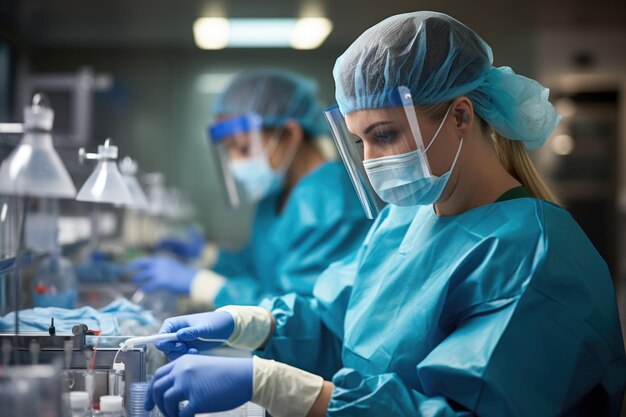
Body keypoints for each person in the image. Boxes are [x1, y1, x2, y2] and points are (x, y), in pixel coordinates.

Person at [145, 12, 626, 417]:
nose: (371, 160)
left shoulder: (532, 253)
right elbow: (339, 323)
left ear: (461, 116)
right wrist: (245, 323)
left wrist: (274, 385)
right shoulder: (403, 220)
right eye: (360, 142)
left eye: (385, 135)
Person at [129, 69, 371, 308]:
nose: (235, 162)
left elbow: (310, 318)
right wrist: (207, 256)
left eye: (243, 148)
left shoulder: (336, 203)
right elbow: (263, 268)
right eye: (228, 150)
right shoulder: (276, 195)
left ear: (290, 134)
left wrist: (203, 285)